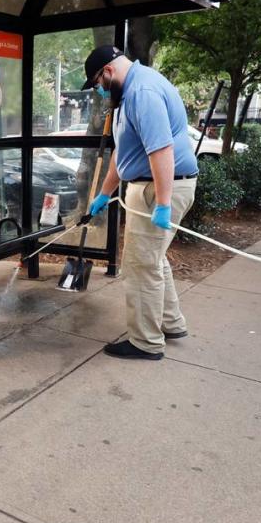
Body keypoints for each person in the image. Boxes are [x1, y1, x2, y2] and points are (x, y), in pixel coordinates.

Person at [83, 46, 199, 360]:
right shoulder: (130, 91)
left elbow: (161, 151)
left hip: (159, 190)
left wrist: (162, 203)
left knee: (140, 266)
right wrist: (104, 194)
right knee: (154, 260)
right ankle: (170, 322)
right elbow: (124, 153)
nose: (99, 89)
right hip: (153, 187)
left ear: (107, 71)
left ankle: (146, 342)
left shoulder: (142, 92)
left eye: (97, 82)